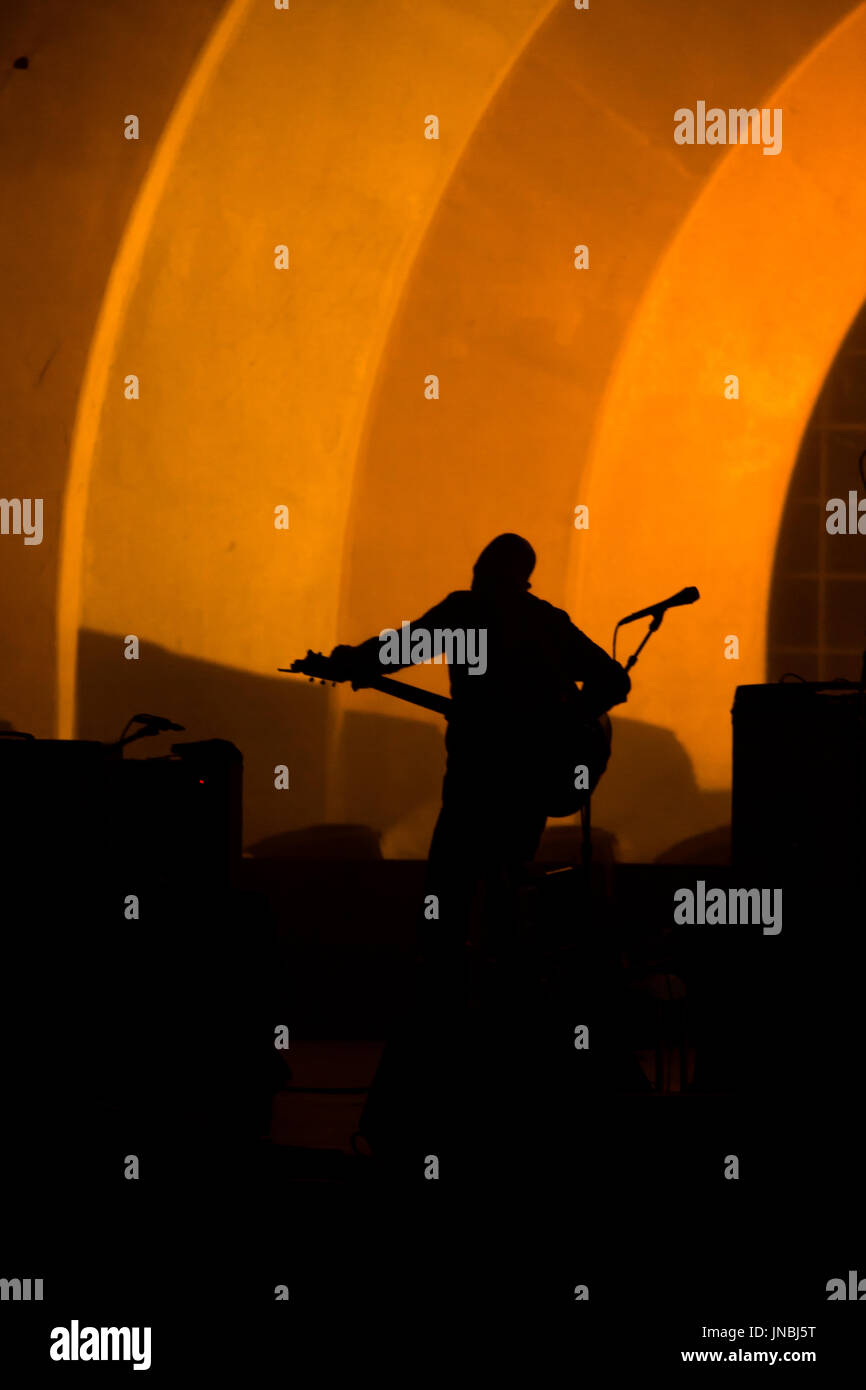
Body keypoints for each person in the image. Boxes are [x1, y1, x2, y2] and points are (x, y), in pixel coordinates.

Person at [329, 534, 630, 977]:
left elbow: (398, 650)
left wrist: (351, 661)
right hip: (531, 782)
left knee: (448, 891)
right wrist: (562, 720)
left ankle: (442, 1000)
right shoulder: (546, 621)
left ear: (486, 569)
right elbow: (613, 681)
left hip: (475, 780)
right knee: (507, 886)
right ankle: (505, 1000)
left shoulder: (464, 611)